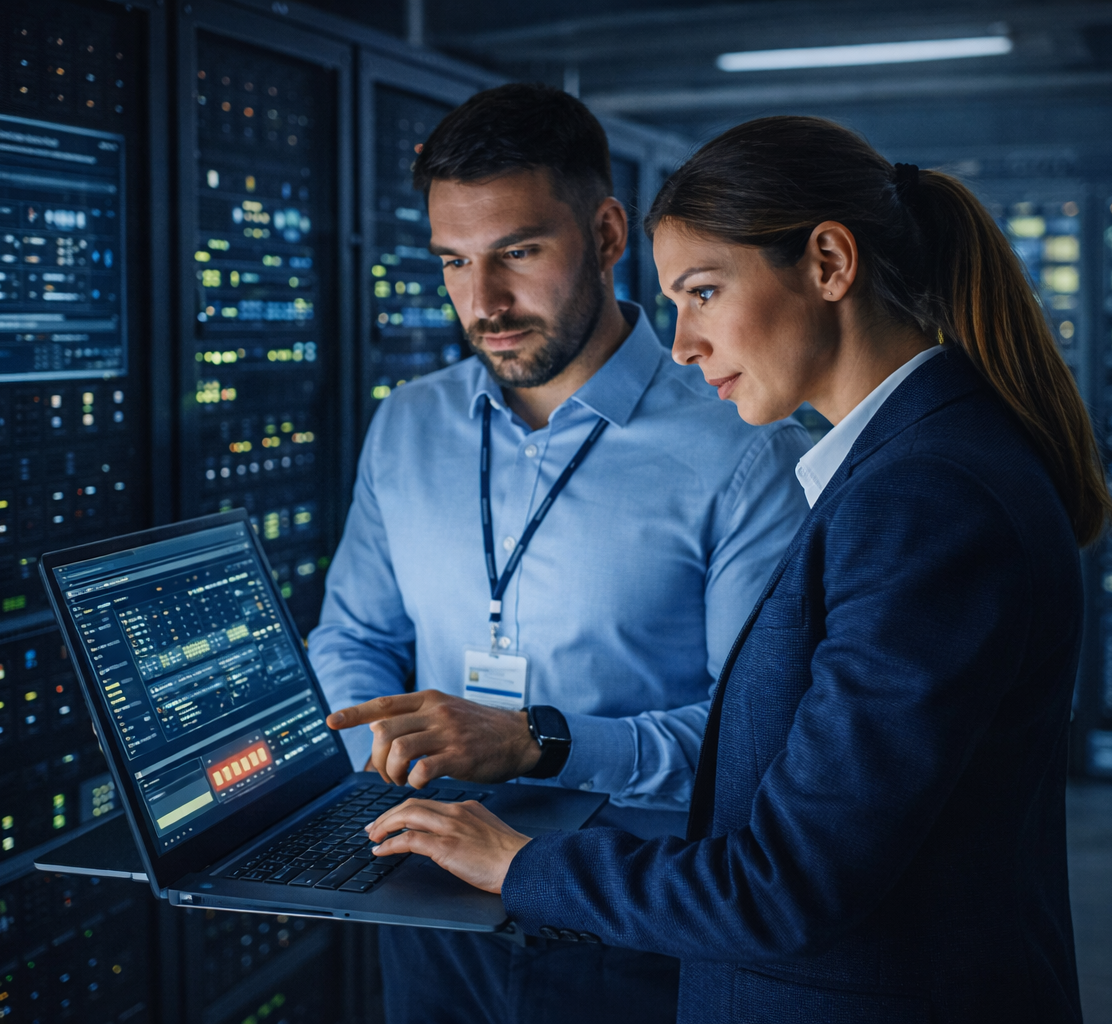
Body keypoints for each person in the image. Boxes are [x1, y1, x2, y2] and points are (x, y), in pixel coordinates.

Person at [358, 114, 1112, 1023]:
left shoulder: (922, 501)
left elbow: (785, 884)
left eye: (705, 293)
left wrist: (516, 859)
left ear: (829, 264)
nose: (683, 344)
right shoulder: (908, 470)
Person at [308, 87, 811, 1023]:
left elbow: (754, 741)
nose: (483, 303)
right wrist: (388, 766)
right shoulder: (408, 424)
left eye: (519, 253)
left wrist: (536, 743)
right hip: (425, 902)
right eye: (454, 261)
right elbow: (352, 638)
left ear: (608, 233)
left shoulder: (742, 448)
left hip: (624, 918)